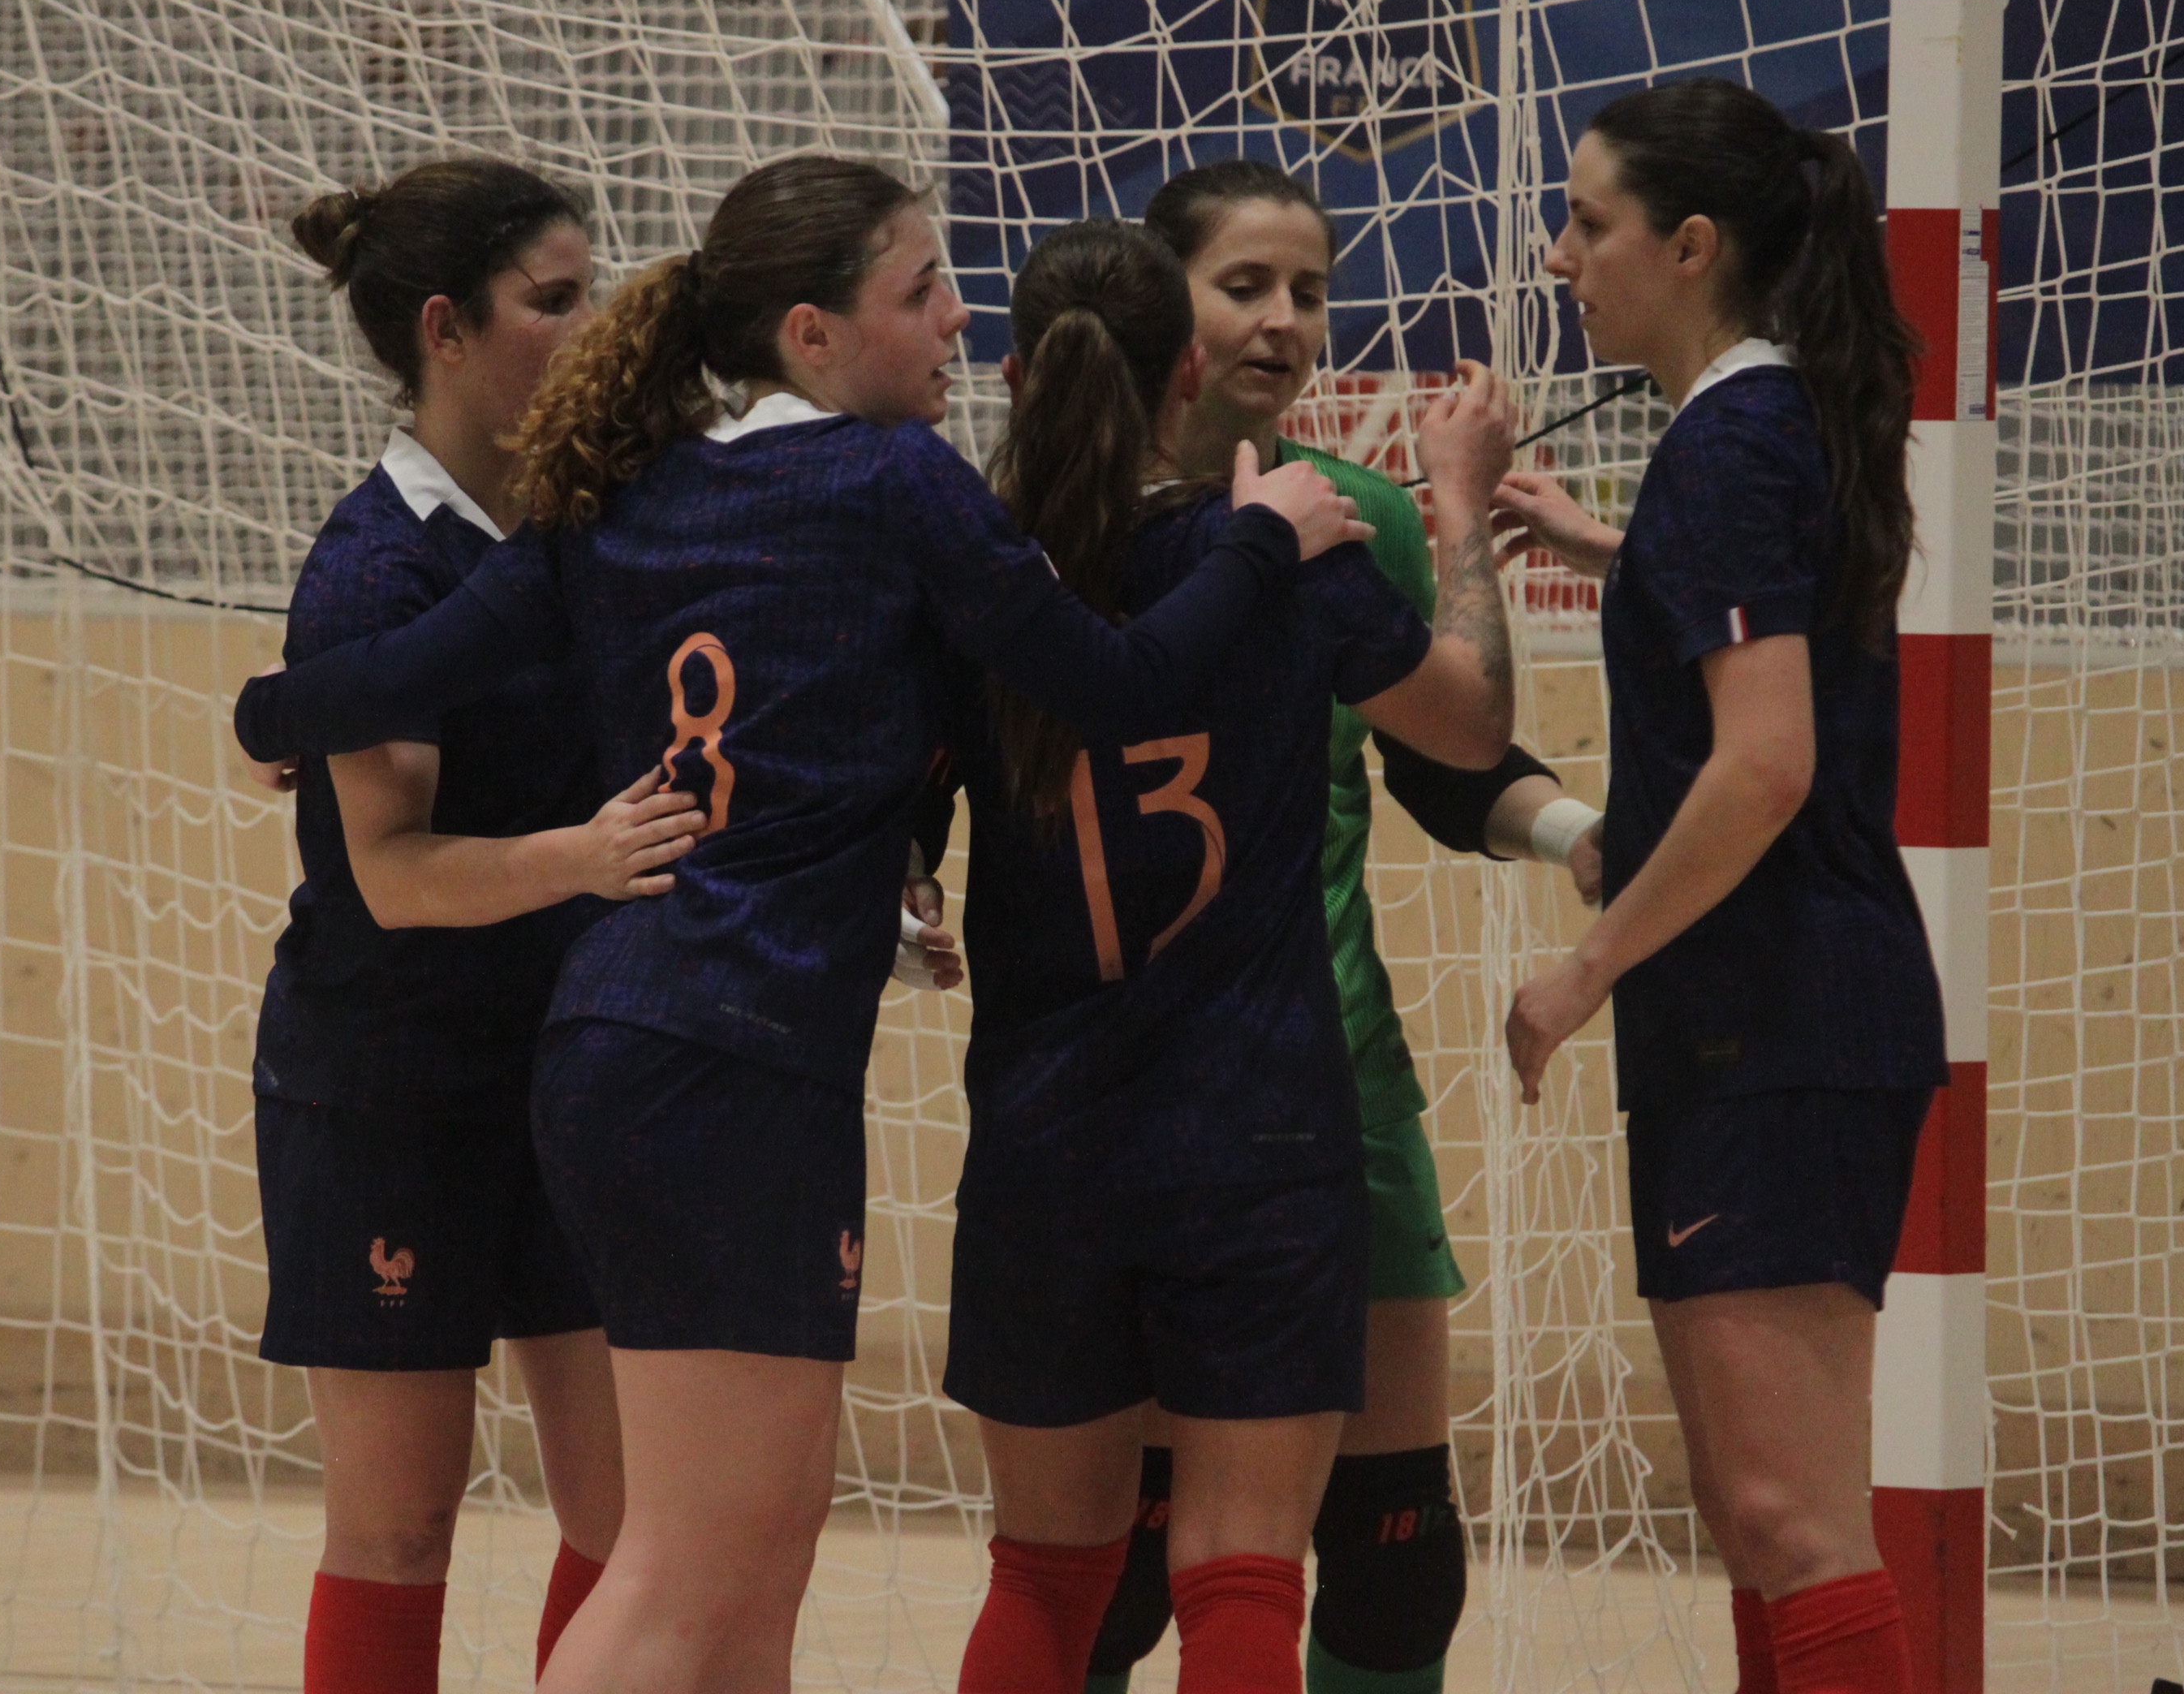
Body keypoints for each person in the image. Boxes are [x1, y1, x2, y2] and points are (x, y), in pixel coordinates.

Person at [230, 155, 1369, 1694]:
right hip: (728, 1062)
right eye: (922, 291)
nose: (961, 319)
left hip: (627, 1042)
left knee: (743, 1578)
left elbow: (396, 668)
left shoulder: (635, 490)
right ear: (815, 337)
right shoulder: (893, 482)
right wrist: (1266, 541)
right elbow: (1113, 687)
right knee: (688, 1579)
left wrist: (271, 709)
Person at [935, 218, 1517, 1694]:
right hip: (1253, 1127)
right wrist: (1455, 512)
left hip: (1046, 1133)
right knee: (1241, 1569)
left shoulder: (968, 577)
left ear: (1019, 370)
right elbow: (1470, 728)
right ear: (1185, 361)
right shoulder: (1296, 553)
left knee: (1050, 1578)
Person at [1058, 160, 1608, 1694]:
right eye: (1246, 286)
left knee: (1389, 1555)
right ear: (1154, 298)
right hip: (1106, 1080)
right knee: (1112, 1573)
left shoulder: (1350, 519)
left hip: (1325, 1072)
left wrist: (1575, 832)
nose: (1286, 321)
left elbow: (1454, 759)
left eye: (1311, 291)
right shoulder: (1042, 514)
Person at [1495, 78, 1945, 1694]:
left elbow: (1763, 766)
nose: (1561, 255)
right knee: (1759, 1522)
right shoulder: (1737, 436)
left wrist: (1583, 966)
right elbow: (1773, 622)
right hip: (1751, 1023)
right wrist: (1607, 545)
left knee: (1791, 1519)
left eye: (1589, 222)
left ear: (1689, 247)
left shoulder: (1740, 438)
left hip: (1783, 1018)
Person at [251, 160, 696, 1694]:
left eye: (596, 290)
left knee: (637, 1514)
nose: (596, 326)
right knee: (402, 1525)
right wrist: (586, 856)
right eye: (556, 301)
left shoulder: (597, 526)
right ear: (448, 329)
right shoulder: (377, 567)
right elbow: (396, 873)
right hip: (395, 1084)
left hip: (571, 1074)